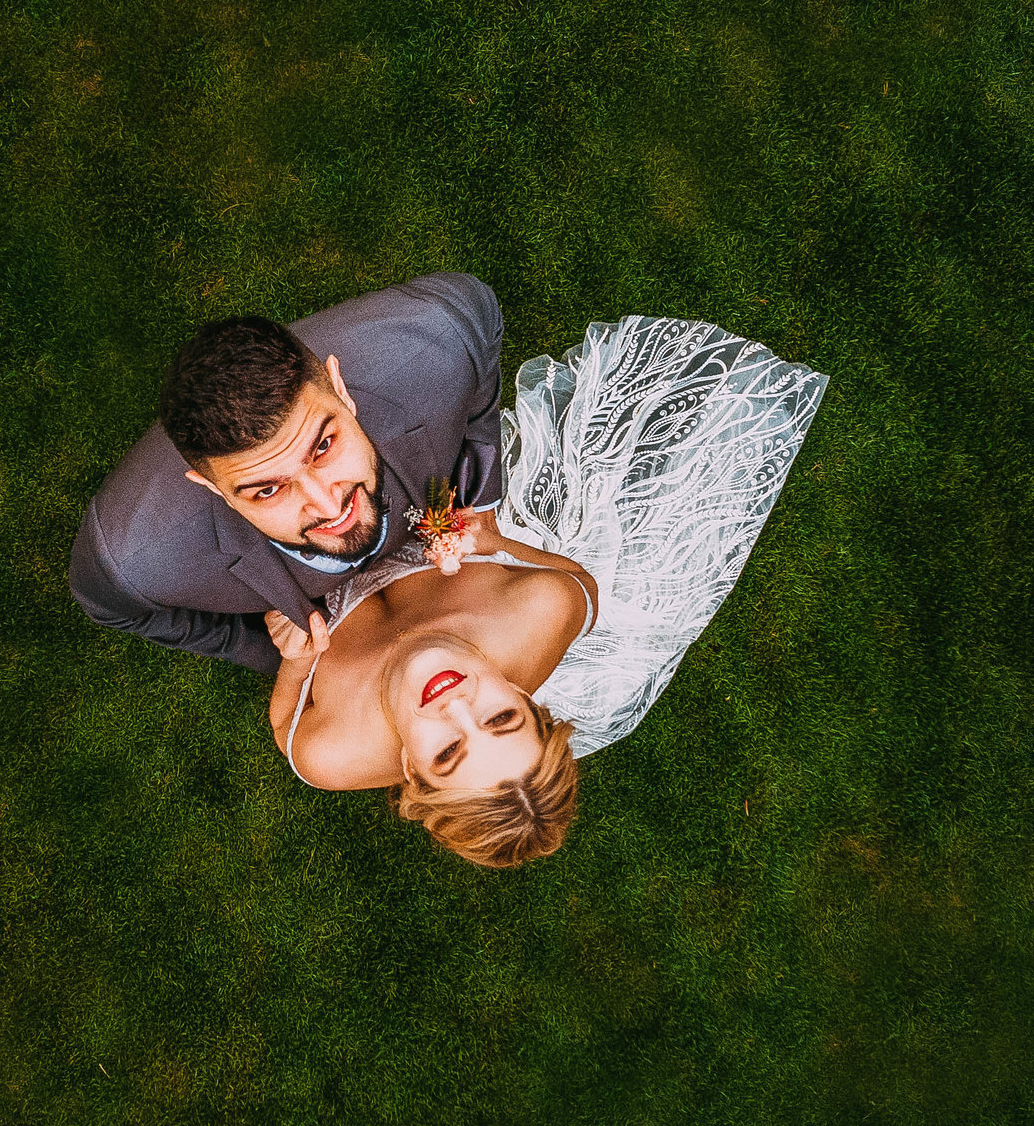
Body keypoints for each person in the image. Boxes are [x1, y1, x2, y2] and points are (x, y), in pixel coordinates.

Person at [268, 314, 828, 869]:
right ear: (530, 703)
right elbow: (583, 583)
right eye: (500, 720)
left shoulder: (329, 755)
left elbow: (285, 721)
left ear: (412, 771)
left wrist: (296, 662)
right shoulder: (541, 609)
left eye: (448, 753)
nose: (458, 707)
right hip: (451, 556)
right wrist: (493, 540)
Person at [67, 272, 510, 675]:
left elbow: (481, 309)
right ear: (212, 490)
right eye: (267, 490)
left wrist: (481, 499)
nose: (328, 503)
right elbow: (111, 608)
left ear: (340, 389)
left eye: (322, 447)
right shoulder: (134, 560)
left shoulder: (438, 337)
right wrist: (258, 647)